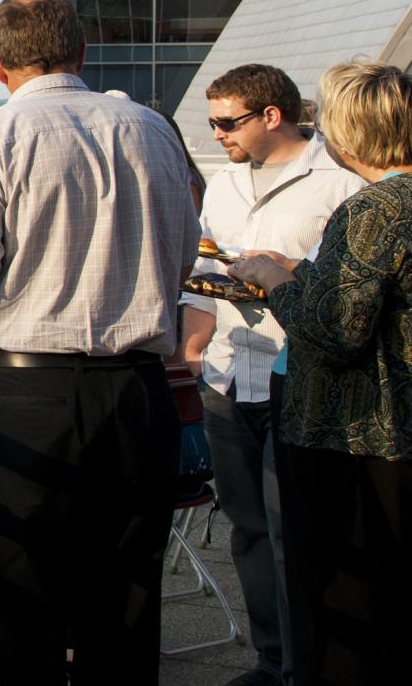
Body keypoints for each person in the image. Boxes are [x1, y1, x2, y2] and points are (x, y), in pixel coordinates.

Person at [0, 0, 197, 684]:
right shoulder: (151, 128)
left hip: (26, 396)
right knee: (126, 600)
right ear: (82, 51)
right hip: (138, 393)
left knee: (18, 602)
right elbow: (184, 255)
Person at [178, 63, 359, 686]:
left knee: (299, 535)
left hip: (297, 377)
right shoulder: (224, 184)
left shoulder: (338, 183)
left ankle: (309, 664)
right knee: (249, 532)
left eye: (227, 123)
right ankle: (271, 660)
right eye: (213, 122)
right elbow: (203, 272)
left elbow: (347, 289)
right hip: (227, 375)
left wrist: (286, 272)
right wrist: (194, 342)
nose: (218, 133)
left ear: (271, 117)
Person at [232, 61, 412, 686]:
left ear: (349, 131)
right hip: (393, 437)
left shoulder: (376, 209)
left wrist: (277, 281)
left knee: (344, 616)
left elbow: (337, 331)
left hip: (354, 440)